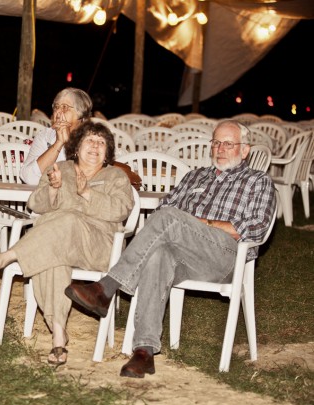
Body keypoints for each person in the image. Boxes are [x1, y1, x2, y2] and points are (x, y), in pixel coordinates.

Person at [63, 120, 276, 378]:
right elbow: (163, 209)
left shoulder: (257, 180)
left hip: (226, 256)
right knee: (158, 255)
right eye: (216, 142)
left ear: (244, 150)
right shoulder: (195, 176)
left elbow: (257, 228)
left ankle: (107, 287)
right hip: (185, 257)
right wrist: (180, 226)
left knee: (169, 219)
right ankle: (144, 351)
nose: (220, 149)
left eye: (228, 144)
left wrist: (201, 224)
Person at [0, 121, 134, 366]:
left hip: (99, 245)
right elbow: (34, 204)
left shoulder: (116, 177)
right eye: (89, 140)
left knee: (66, 221)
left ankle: (5, 257)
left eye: (101, 142)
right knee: (52, 258)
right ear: (76, 147)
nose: (95, 146)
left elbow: (121, 210)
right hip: (58, 242)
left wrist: (87, 193)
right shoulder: (59, 169)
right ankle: (59, 335)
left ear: (107, 152)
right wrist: (53, 189)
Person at [19, 88, 93, 185]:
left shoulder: (94, 139)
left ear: (81, 114)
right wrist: (58, 143)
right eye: (56, 107)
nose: (58, 111)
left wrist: (69, 144)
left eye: (64, 107)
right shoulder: (45, 136)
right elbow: (28, 178)